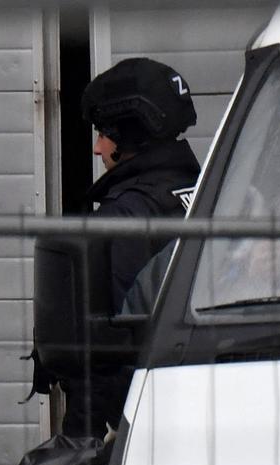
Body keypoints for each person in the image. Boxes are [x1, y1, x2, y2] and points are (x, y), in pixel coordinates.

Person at [60, 57, 201, 437]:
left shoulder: (126, 214)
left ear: (130, 134)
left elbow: (122, 345)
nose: (96, 148)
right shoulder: (208, 193)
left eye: (104, 133)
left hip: (134, 421)